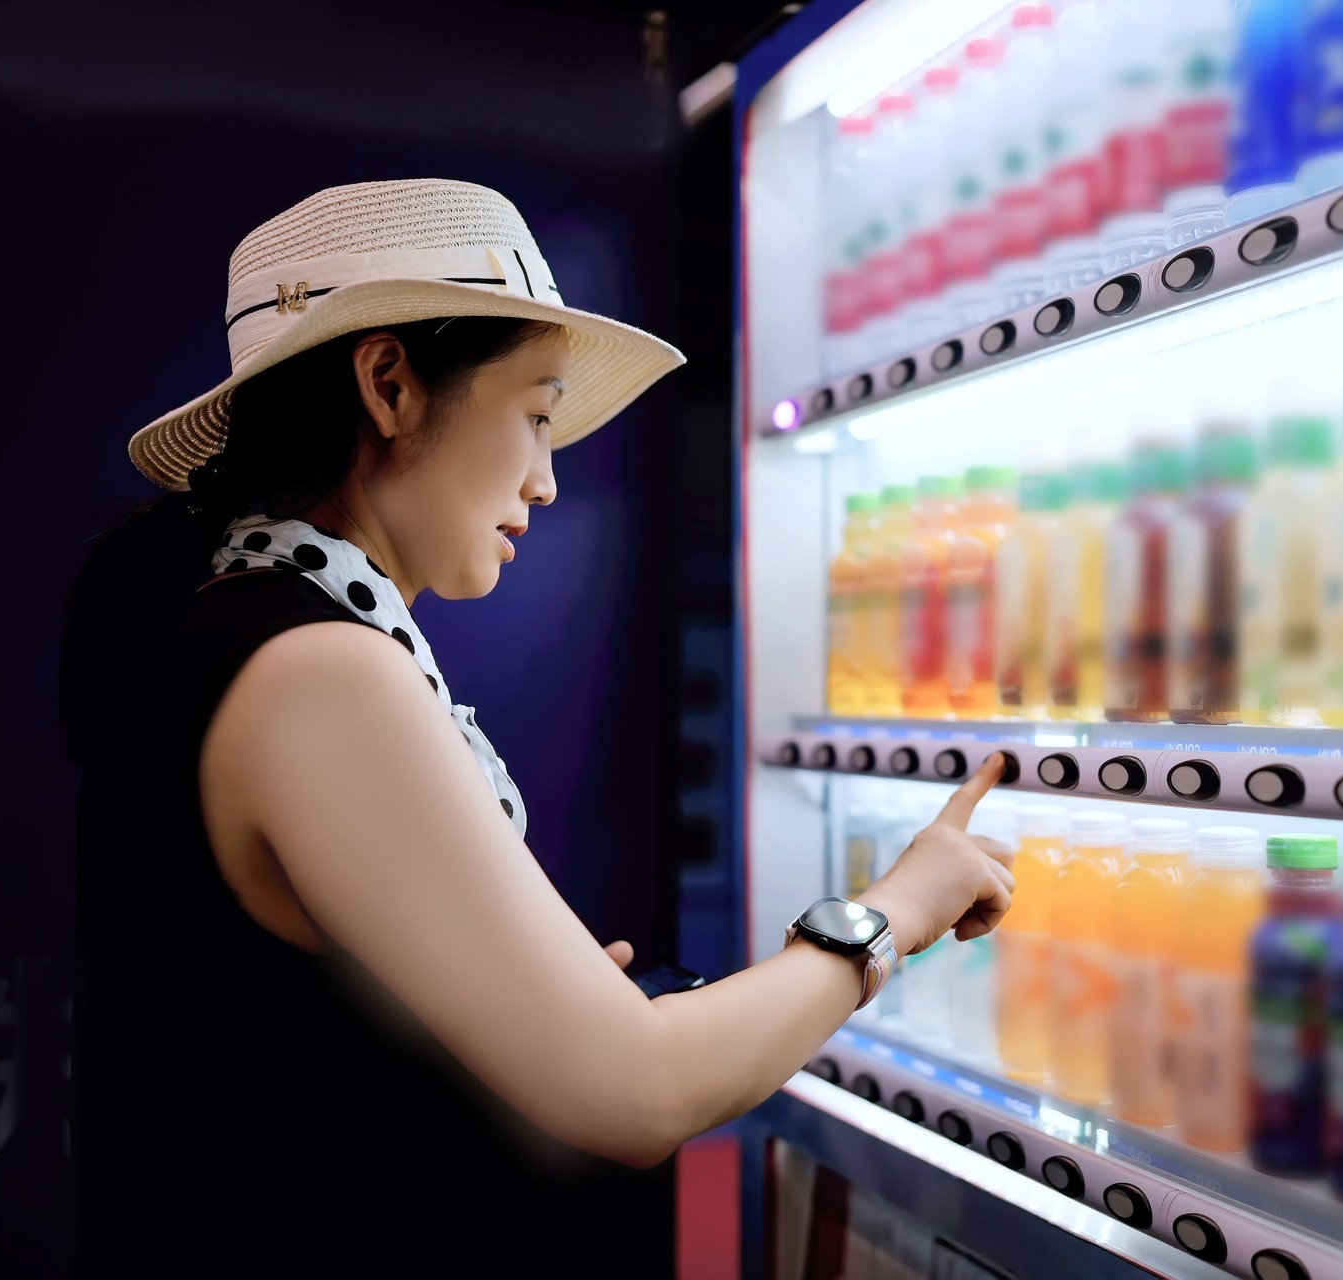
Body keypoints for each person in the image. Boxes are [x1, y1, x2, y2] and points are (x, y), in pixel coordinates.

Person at [59, 179, 1016, 1272]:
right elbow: (643, 1091)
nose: (549, 481)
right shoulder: (321, 669)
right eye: (536, 414)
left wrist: (505, 1015)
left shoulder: (242, 623)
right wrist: (898, 905)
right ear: (390, 384)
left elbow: (268, 1039)